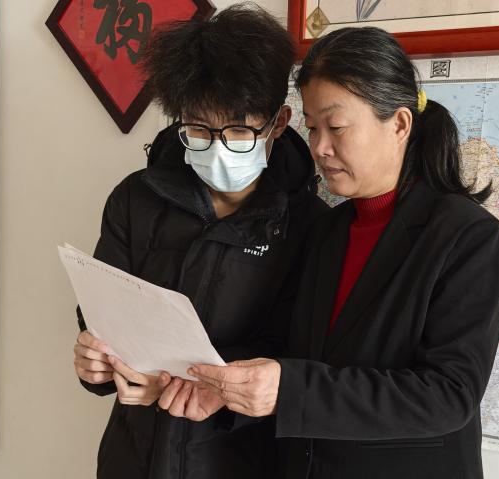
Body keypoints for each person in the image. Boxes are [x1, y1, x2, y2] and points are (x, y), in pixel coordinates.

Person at [186, 27, 499, 478]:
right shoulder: (326, 228)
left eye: (336, 127)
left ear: (399, 124)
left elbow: (448, 395)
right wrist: (219, 385)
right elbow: (293, 352)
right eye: (312, 128)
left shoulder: (469, 237)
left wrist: (289, 391)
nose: (320, 148)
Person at [71, 4, 328, 479]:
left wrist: (208, 389)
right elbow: (102, 312)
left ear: (278, 122)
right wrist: (96, 362)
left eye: (238, 130)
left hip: (239, 460)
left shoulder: (310, 225)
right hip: (132, 458)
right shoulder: (135, 199)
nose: (218, 148)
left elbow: (299, 356)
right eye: (198, 129)